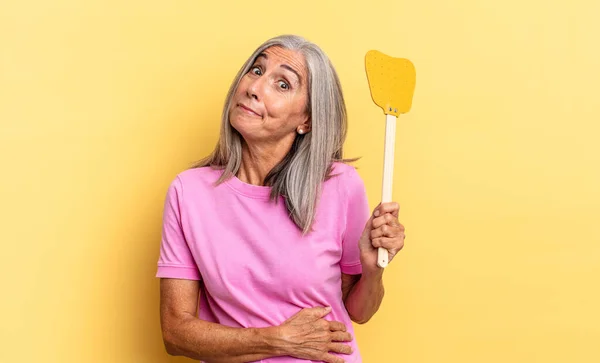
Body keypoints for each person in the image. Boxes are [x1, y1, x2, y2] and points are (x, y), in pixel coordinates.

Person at [156, 34, 406, 363]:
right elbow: (175, 333)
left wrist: (374, 272)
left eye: (283, 84)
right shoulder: (188, 193)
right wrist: (280, 339)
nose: (254, 88)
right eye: (256, 71)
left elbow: (358, 311)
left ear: (307, 120)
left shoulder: (340, 185)